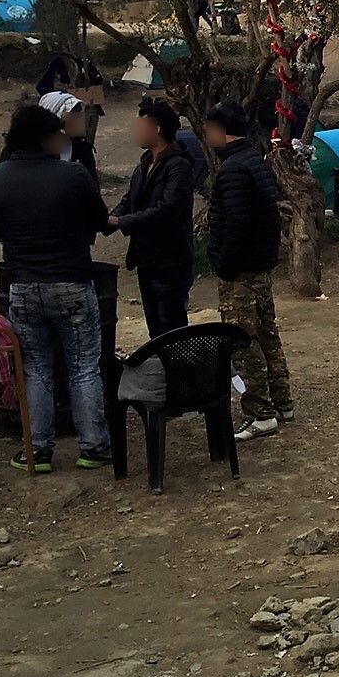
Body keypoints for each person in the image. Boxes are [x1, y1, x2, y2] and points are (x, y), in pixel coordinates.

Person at [0, 105, 111, 473]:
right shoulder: (74, 175)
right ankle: (94, 447)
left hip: (21, 287)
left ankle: (37, 450)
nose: (62, 140)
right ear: (44, 138)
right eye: (57, 135)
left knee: (35, 370)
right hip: (72, 283)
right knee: (84, 367)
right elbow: (99, 221)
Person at [204, 101, 293, 440]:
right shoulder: (254, 161)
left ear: (220, 131)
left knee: (243, 340)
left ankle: (260, 412)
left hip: (241, 271)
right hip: (259, 266)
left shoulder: (233, 169)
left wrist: (224, 264)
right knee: (267, 335)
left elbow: (236, 224)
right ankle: (282, 402)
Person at [107, 97, 194, 337]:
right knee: (155, 327)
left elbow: (167, 210)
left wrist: (120, 222)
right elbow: (130, 199)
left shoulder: (178, 166)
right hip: (146, 258)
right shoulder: (145, 163)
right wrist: (108, 220)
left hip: (171, 260)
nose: (136, 131)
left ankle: (177, 372)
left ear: (157, 129)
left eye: (141, 126)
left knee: (171, 326)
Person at [37, 92, 98, 180]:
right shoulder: (35, 149)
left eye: (77, 114)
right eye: (69, 115)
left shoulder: (82, 147)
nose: (76, 121)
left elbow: (91, 182)